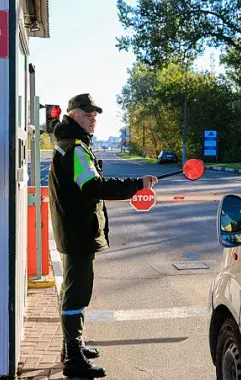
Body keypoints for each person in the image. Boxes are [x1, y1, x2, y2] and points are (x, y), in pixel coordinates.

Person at [48, 93, 158, 378]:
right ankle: (73, 358)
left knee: (76, 290)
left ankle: (73, 345)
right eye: (86, 114)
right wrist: (137, 184)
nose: (92, 118)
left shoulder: (69, 145)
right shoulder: (75, 149)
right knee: (77, 293)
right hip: (78, 231)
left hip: (75, 229)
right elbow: (93, 187)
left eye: (94, 114)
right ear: (72, 115)